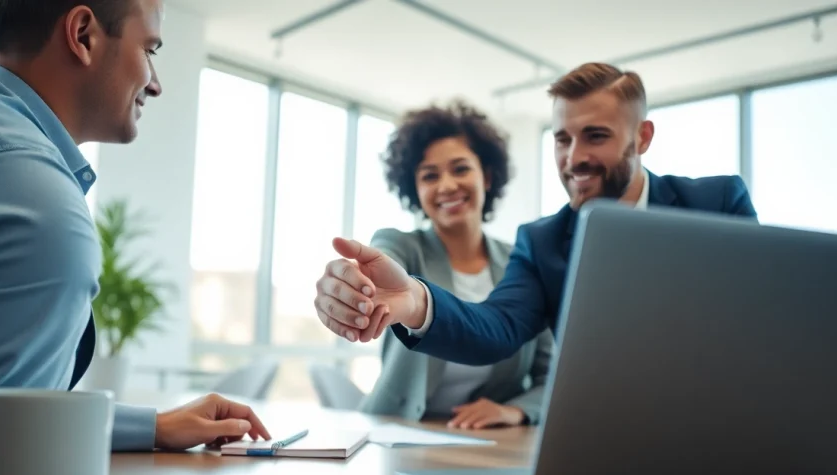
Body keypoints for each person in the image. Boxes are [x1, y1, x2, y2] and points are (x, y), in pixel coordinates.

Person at [0, 0, 270, 475]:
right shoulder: (39, 205)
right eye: (149, 49)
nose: (155, 83)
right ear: (82, 34)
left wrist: (150, 426)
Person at [313, 62, 759, 365]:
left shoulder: (717, 203)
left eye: (596, 136)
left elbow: (763, 319)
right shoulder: (543, 242)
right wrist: (414, 300)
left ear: (642, 137)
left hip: (725, 427)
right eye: (562, 139)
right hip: (608, 441)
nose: (574, 158)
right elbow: (496, 326)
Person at [357, 100, 554, 429]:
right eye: (429, 176)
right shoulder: (403, 247)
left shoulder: (524, 262)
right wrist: (355, 282)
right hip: (395, 430)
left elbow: (552, 377)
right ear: (415, 189)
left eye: (460, 169)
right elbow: (382, 258)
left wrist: (514, 410)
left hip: (487, 442)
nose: (446, 185)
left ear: (487, 177)